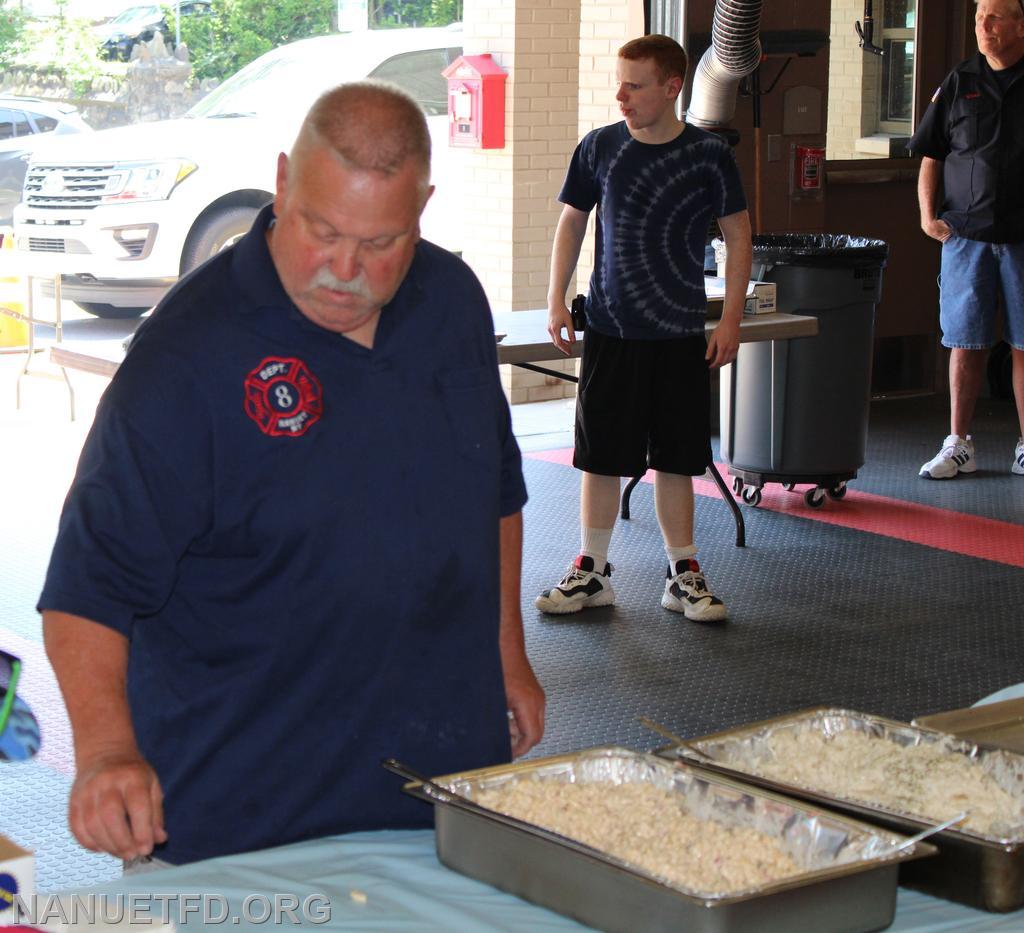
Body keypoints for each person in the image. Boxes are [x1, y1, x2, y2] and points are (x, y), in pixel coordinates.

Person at [39, 81, 545, 869]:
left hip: (439, 787)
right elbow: (88, 583)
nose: (344, 268)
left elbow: (496, 496)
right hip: (241, 811)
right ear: (282, 183)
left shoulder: (452, 300)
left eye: (381, 243)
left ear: (423, 208)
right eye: (321, 229)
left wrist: (507, 655)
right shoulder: (186, 356)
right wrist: (105, 753)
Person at [535, 35, 752, 622]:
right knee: (600, 456)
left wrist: (730, 318)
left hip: (679, 331)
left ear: (672, 87)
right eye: (620, 81)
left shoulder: (708, 154)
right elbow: (572, 222)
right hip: (610, 327)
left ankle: (683, 573)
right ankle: (593, 571)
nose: (621, 94)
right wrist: (555, 298)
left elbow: (738, 236)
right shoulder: (600, 147)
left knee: (678, 458)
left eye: (634, 84)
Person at [909, 0, 1024, 479]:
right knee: (965, 341)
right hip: (966, 238)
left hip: (1022, 239)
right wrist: (926, 215)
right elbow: (931, 155)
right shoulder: (959, 81)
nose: (984, 25)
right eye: (979, 17)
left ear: (1021, 24)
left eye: (995, 17)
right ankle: (959, 444)